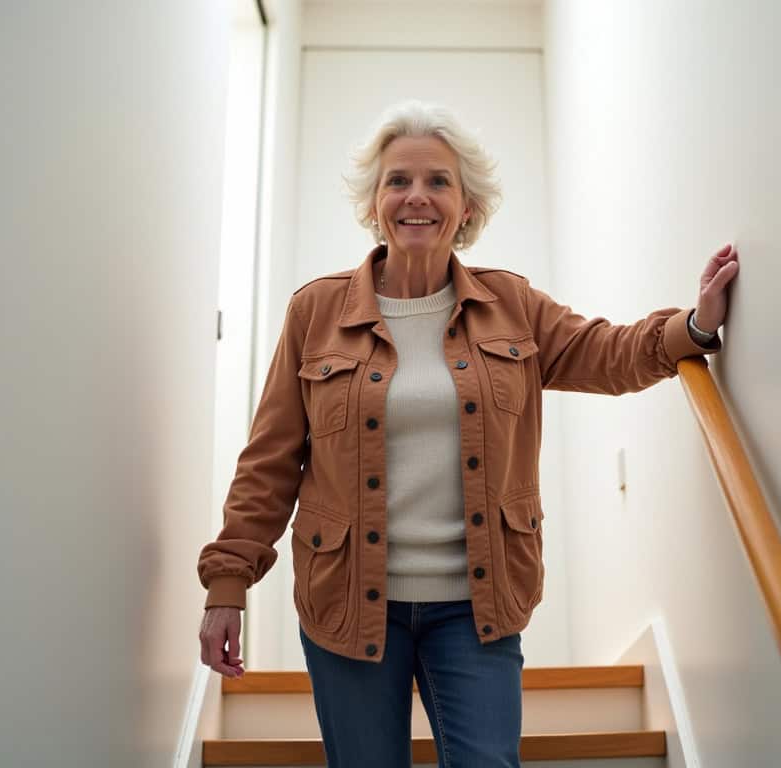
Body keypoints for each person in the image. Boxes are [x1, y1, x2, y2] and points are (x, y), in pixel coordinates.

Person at [197, 100, 740, 767]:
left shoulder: (512, 305)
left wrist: (694, 325)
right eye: (398, 181)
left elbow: (608, 353)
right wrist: (228, 585)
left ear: (467, 206)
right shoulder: (317, 311)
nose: (416, 196)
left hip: (476, 604)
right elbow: (270, 460)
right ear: (374, 202)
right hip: (347, 599)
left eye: (438, 181)